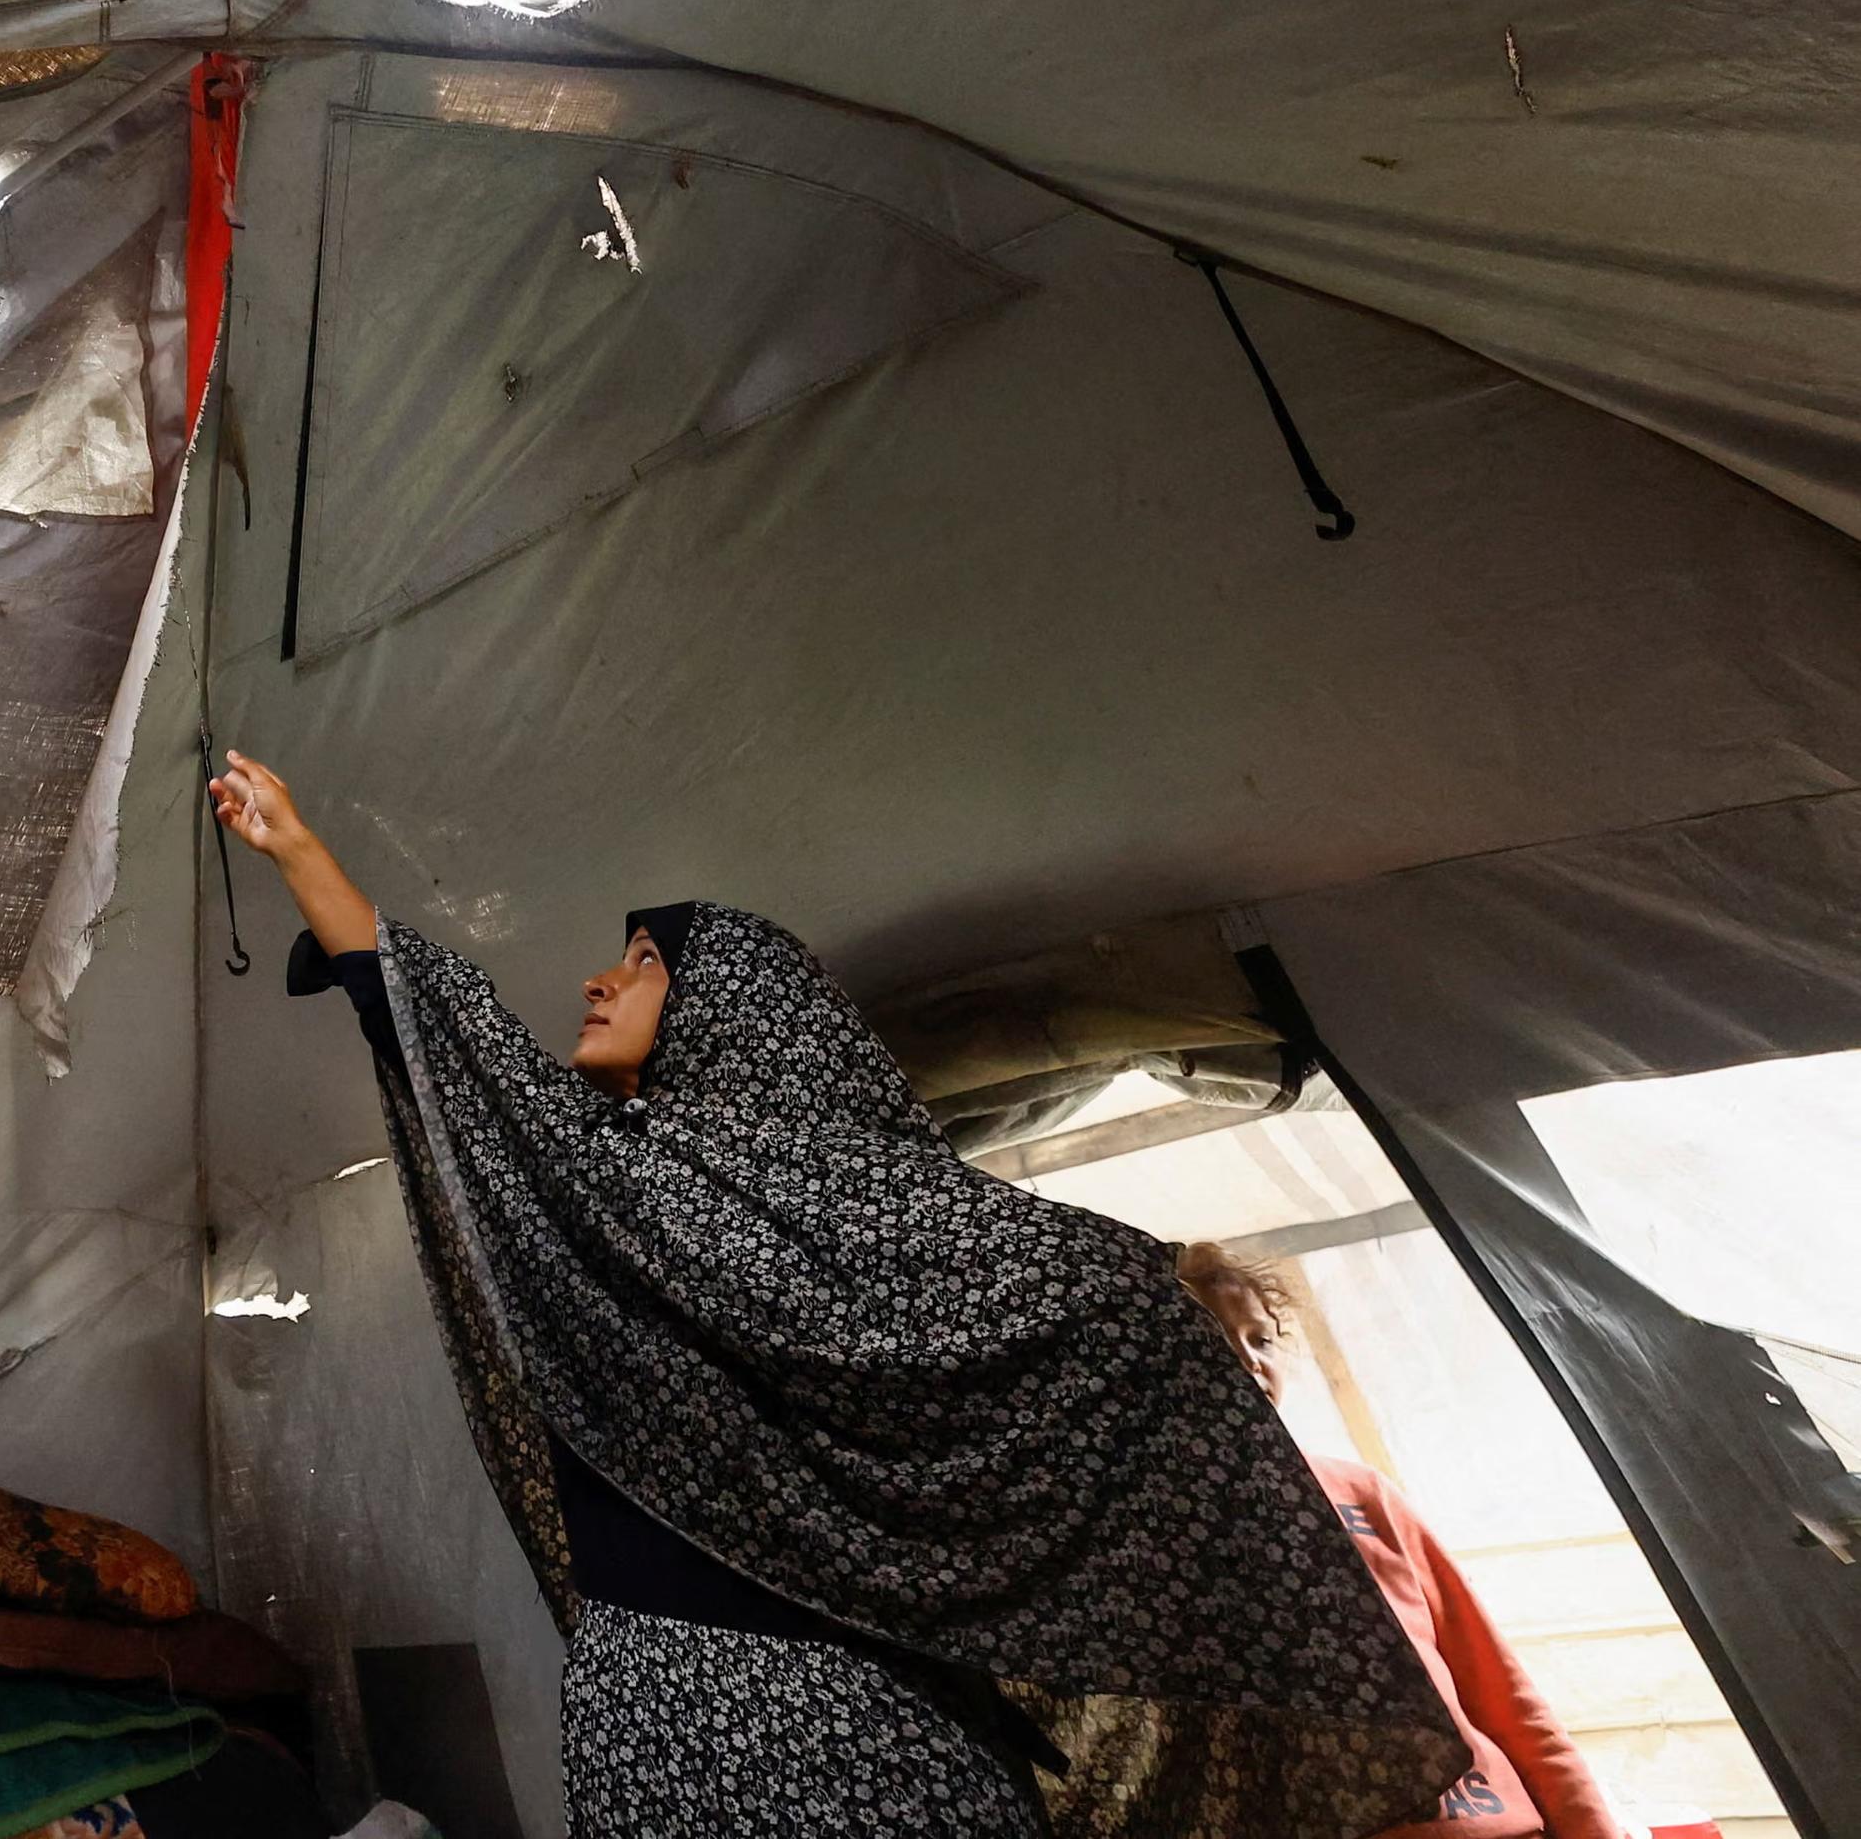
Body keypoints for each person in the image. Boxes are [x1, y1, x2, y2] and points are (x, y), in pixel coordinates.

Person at [204, 750, 1467, 1839]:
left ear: (735, 1012)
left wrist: (310, 859)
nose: (597, 983)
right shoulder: (624, 1207)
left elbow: (488, 1082)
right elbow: (490, 1100)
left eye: (640, 962)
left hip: (774, 1715)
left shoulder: (805, 1204)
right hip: (728, 1713)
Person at [1175, 1246, 1628, 1839]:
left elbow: (1502, 1692)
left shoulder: (1362, 1494)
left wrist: (1591, 1829)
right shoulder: (1148, 1538)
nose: (1248, 1361)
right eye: (1212, 1343)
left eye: (1260, 1340)